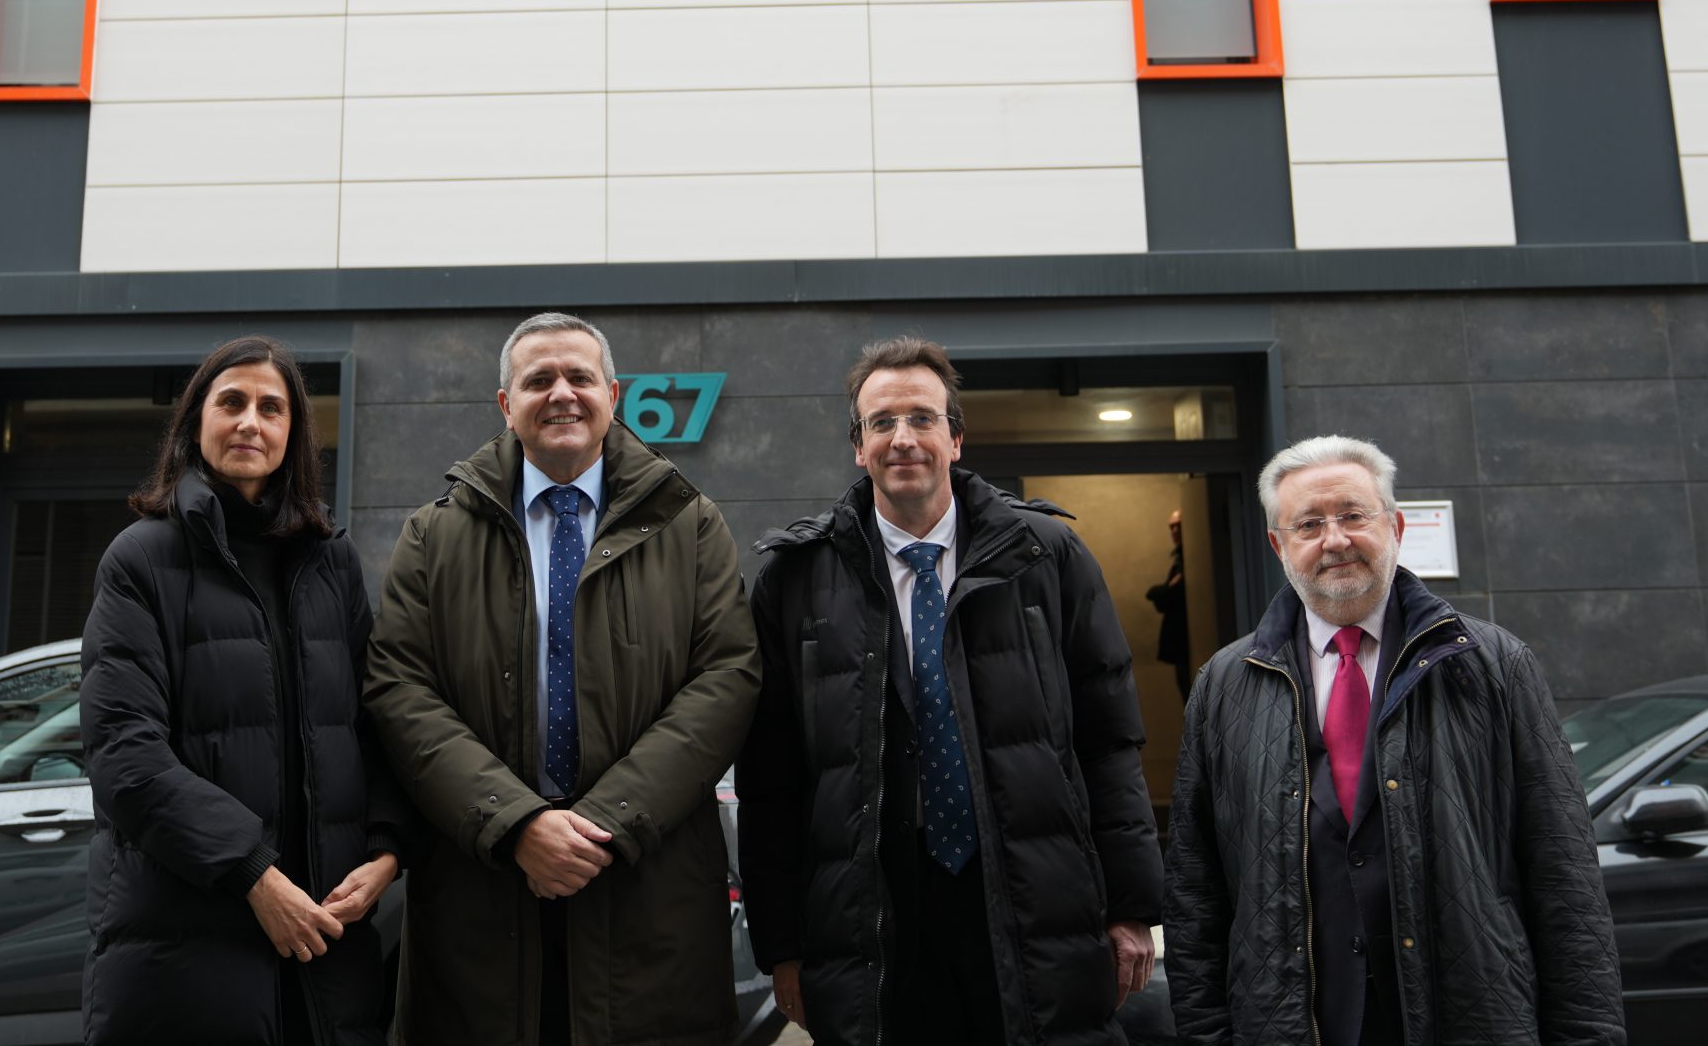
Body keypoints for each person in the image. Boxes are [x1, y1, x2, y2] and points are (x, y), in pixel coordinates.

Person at [738, 336, 1162, 1046]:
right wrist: (781, 943)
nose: (903, 438)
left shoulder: (1046, 557)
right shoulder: (796, 579)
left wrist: (1131, 906)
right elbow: (771, 776)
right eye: (881, 422)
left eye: (922, 418)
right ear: (858, 446)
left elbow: (1109, 741)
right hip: (873, 917)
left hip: (1034, 900)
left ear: (956, 437)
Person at [365, 312, 761, 1046]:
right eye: (538, 378)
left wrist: (601, 823)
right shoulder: (435, 534)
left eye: (579, 376)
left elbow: (727, 678)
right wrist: (516, 822)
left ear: (612, 394)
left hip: (648, 894)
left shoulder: (692, 524)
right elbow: (399, 687)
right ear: (504, 404)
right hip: (481, 899)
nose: (562, 393)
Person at [1163, 435, 1624, 1046]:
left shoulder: (1493, 666)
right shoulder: (1226, 685)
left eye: (1354, 515)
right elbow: (1196, 893)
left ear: (1395, 525)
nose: (1335, 539)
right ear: (1279, 546)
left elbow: (1564, 875)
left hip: (1467, 1015)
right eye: (1308, 524)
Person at [79, 335, 409, 1046]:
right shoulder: (142, 557)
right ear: (197, 419)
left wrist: (386, 847)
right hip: (187, 940)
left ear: (294, 432)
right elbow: (124, 753)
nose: (250, 422)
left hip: (328, 943)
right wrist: (255, 875)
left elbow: (376, 720)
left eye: (272, 406)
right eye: (231, 402)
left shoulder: (331, 562)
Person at [1147, 507, 1193, 703]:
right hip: (1181, 645)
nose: (1174, 531)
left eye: (1178, 526)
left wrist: (1167, 590)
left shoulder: (1190, 560)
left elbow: (1167, 596)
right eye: (1171, 527)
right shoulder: (1179, 561)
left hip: (1188, 641)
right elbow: (1159, 598)